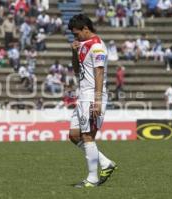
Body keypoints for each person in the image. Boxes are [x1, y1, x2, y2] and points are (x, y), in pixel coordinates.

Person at [68, 14, 117, 188]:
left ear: (86, 29)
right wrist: (74, 51)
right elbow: (76, 70)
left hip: (92, 96)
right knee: (74, 135)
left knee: (88, 136)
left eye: (76, 34)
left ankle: (92, 178)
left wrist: (97, 100)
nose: (75, 37)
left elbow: (99, 73)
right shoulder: (83, 46)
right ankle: (106, 164)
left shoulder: (97, 47)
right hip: (83, 95)